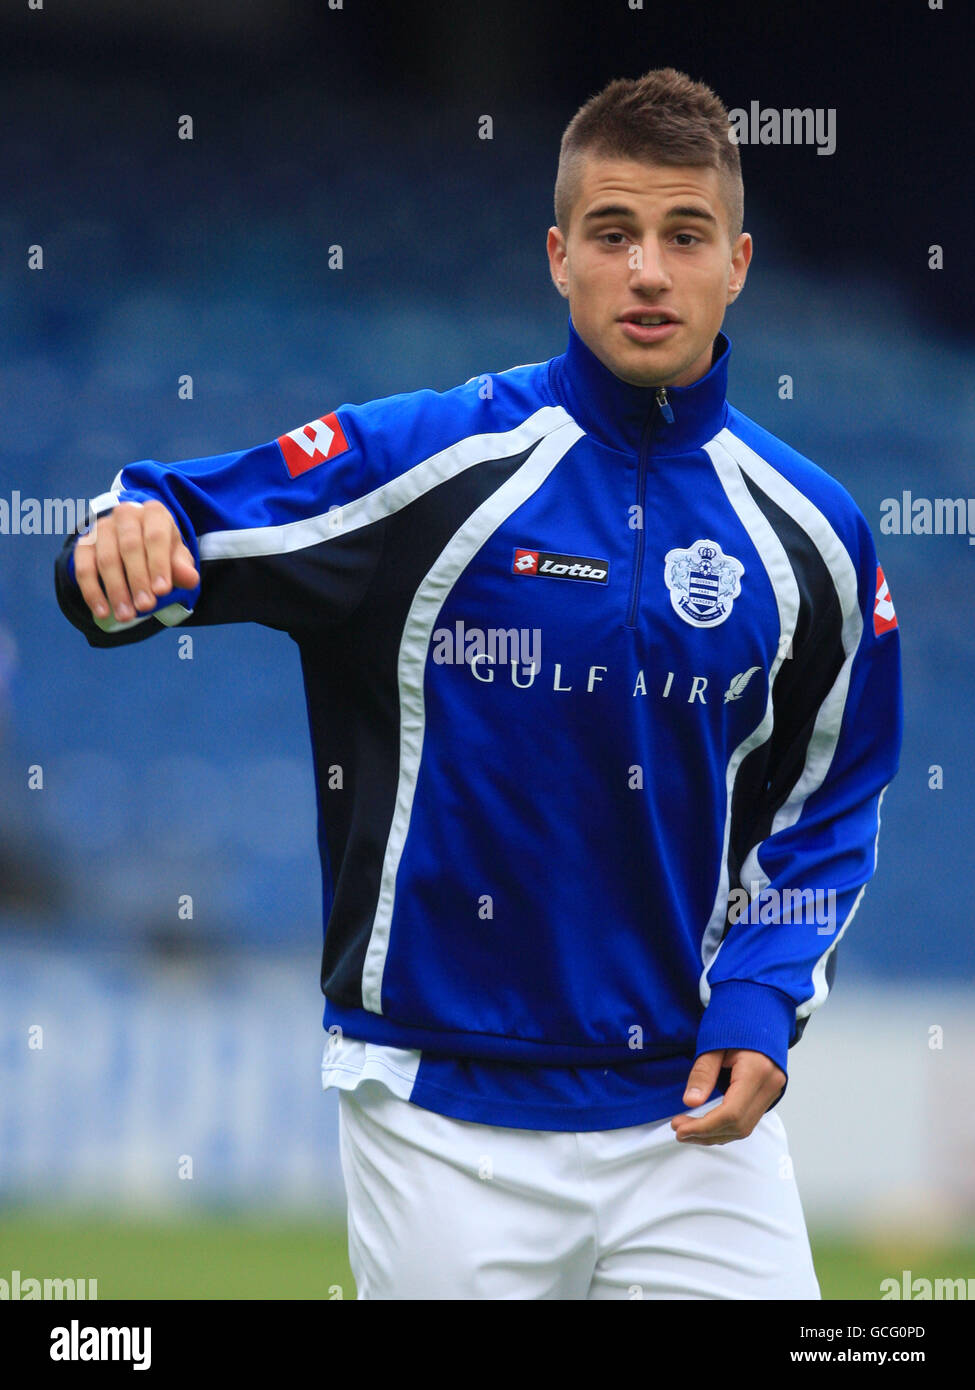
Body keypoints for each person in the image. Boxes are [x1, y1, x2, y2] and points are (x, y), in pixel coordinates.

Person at [55, 67, 902, 1300]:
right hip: (442, 1117)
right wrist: (116, 543)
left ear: (740, 262)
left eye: (684, 236)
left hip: (689, 1116)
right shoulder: (430, 462)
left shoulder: (816, 534)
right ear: (560, 257)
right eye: (613, 235)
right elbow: (164, 524)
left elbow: (832, 799)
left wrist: (766, 997)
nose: (649, 271)